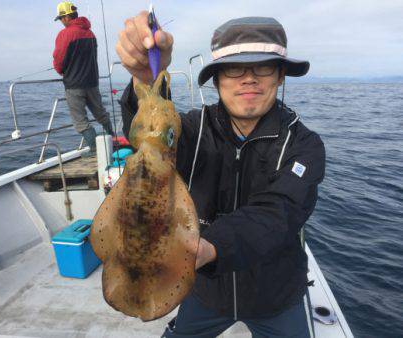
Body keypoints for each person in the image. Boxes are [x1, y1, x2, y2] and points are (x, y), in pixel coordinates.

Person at [117, 12, 325, 338]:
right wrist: (145, 79)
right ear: (217, 79)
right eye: (233, 68)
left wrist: (209, 247)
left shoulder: (303, 145)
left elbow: (279, 212)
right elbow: (155, 139)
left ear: (280, 76)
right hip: (207, 292)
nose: (249, 79)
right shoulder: (192, 130)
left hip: (276, 295)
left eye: (264, 66)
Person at [53, 1, 113, 157]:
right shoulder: (90, 33)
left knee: (80, 120)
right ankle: (112, 139)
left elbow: (59, 59)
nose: (61, 21)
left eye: (61, 18)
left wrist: (61, 71)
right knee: (101, 113)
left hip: (74, 85)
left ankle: (95, 150)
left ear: (66, 17)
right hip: (92, 82)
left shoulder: (65, 34)